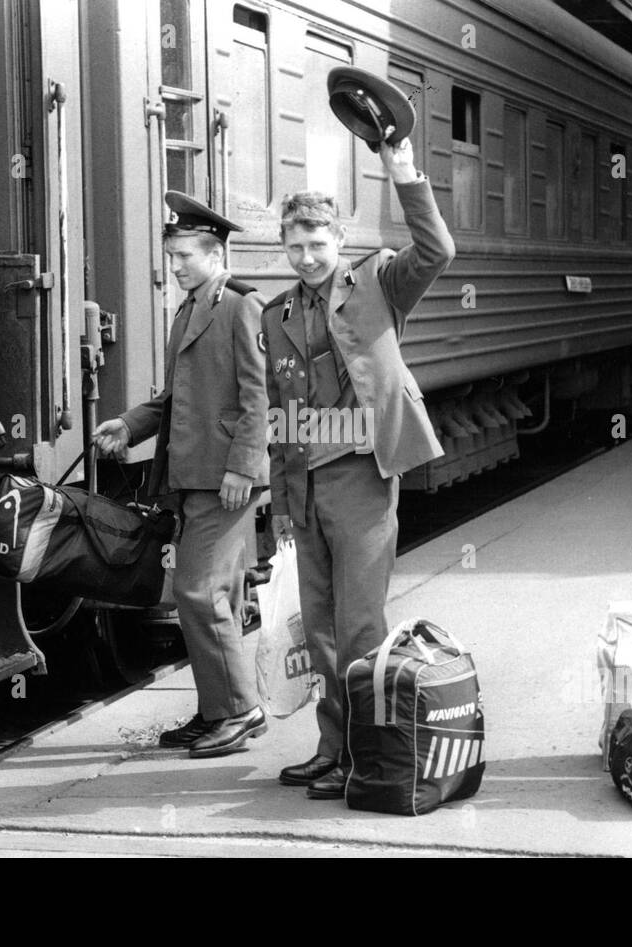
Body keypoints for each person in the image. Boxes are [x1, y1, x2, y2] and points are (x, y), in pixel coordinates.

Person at [263, 136, 454, 799]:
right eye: (295, 246)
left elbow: (437, 251)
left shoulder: (378, 281)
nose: (308, 257)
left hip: (363, 474)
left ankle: (368, 754)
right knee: (317, 629)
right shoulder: (276, 313)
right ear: (284, 246)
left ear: (339, 237)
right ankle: (333, 745)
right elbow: (279, 413)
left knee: (360, 627)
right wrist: (282, 507)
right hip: (306, 484)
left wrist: (405, 173)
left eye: (319, 243)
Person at [93, 192, 269, 758]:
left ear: (215, 255)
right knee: (196, 595)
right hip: (191, 475)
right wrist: (127, 424)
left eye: (185, 256)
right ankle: (215, 711)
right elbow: (175, 399)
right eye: (171, 256)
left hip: (226, 477)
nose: (175, 267)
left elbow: (259, 398)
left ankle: (241, 712)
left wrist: (244, 467)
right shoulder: (190, 308)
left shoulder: (242, 306)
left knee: (199, 591)